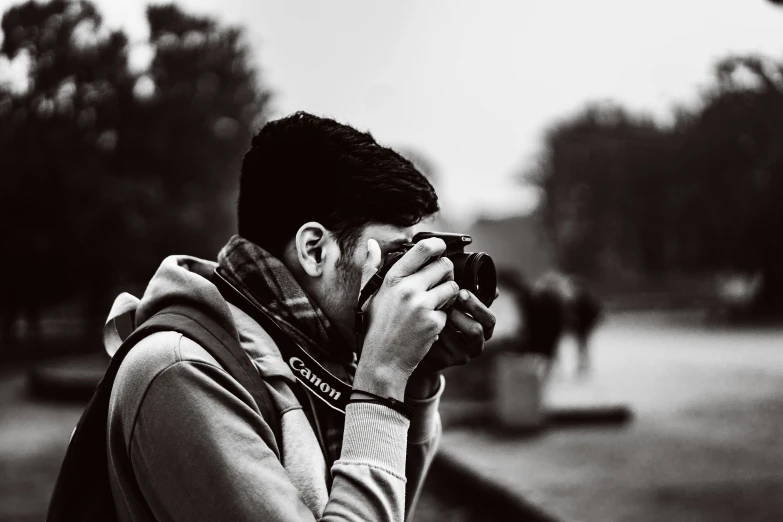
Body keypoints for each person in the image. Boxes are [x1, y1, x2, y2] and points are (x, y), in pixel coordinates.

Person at [103, 111, 496, 522]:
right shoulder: (181, 370)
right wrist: (382, 380)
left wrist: (414, 380)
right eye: (396, 256)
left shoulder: (304, 348)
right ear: (313, 250)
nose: (408, 282)